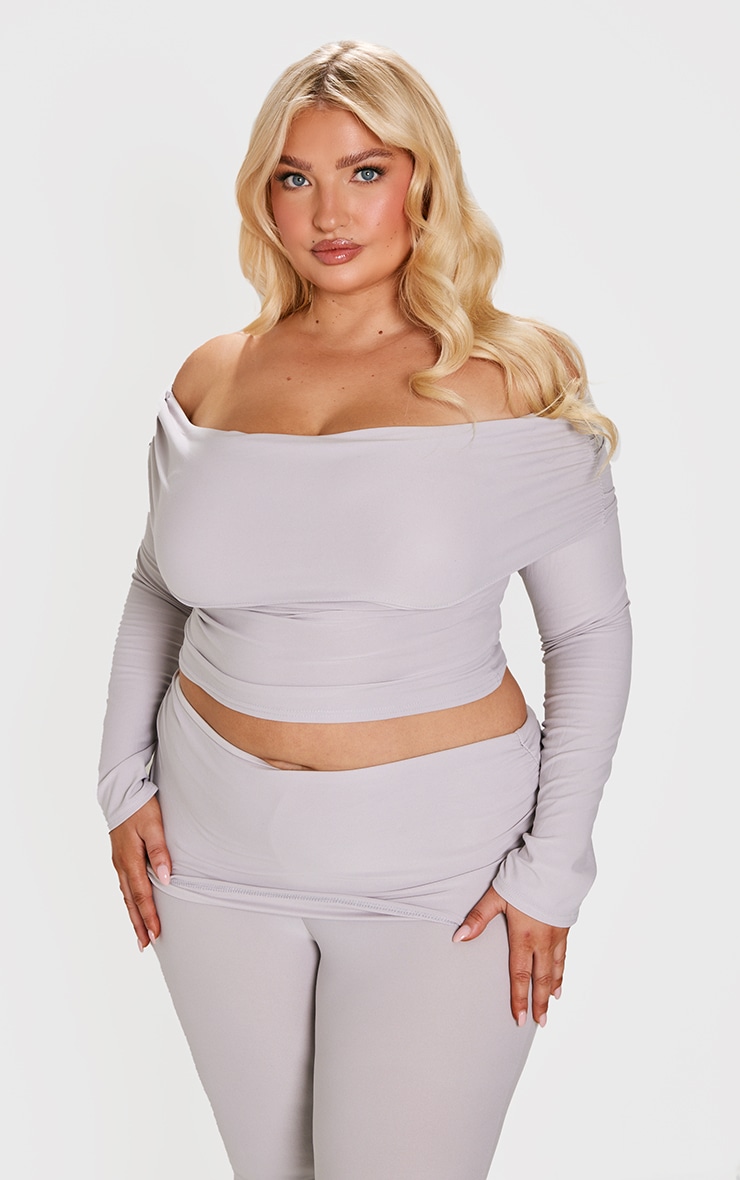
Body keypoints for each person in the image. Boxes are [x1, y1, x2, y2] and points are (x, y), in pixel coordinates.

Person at [98, 40, 631, 1180]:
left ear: (421, 180)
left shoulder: (512, 379)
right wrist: (120, 783)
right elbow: (156, 583)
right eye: (295, 177)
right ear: (263, 196)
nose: (329, 213)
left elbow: (586, 633)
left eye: (365, 171)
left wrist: (552, 869)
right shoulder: (211, 377)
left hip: (440, 874)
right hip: (212, 856)